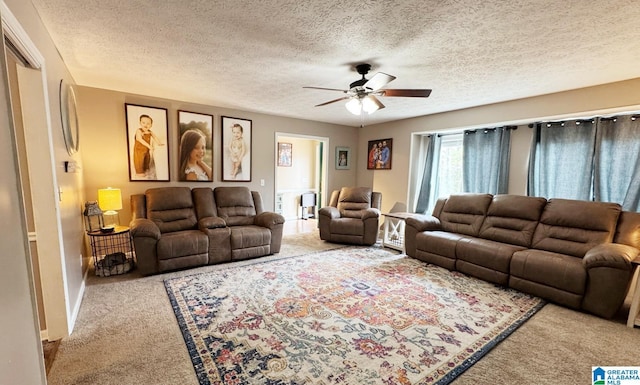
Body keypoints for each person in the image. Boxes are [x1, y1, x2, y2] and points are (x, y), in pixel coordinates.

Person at [133, 114, 164, 179]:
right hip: (139, 149)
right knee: (139, 160)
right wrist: (149, 146)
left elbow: (155, 137)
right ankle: (139, 172)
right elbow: (139, 139)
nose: (145, 125)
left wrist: (159, 143)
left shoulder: (150, 132)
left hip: (146, 149)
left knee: (147, 159)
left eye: (148, 123)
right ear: (140, 123)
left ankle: (145, 168)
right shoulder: (138, 131)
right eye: (143, 123)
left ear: (151, 125)